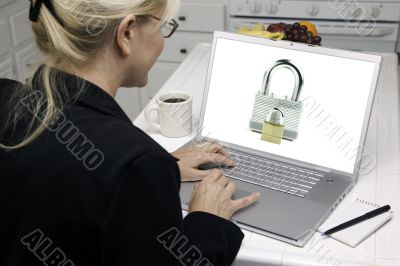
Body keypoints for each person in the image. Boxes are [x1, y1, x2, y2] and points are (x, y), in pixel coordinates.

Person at [0, 0, 260, 265]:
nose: (162, 42)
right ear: (126, 33)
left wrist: (148, 172)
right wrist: (208, 221)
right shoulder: (136, 162)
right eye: (163, 29)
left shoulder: (6, 96)